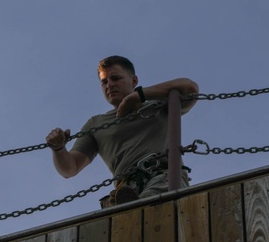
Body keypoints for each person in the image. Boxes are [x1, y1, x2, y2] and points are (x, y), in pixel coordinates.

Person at [46, 55, 198, 207]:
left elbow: (190, 88)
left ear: (134, 81)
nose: (109, 85)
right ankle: (131, 206)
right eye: (104, 82)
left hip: (164, 177)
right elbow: (70, 168)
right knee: (129, 216)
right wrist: (58, 148)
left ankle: (133, 207)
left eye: (115, 78)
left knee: (145, 207)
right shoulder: (96, 124)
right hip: (126, 189)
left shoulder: (157, 105)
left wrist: (139, 96)